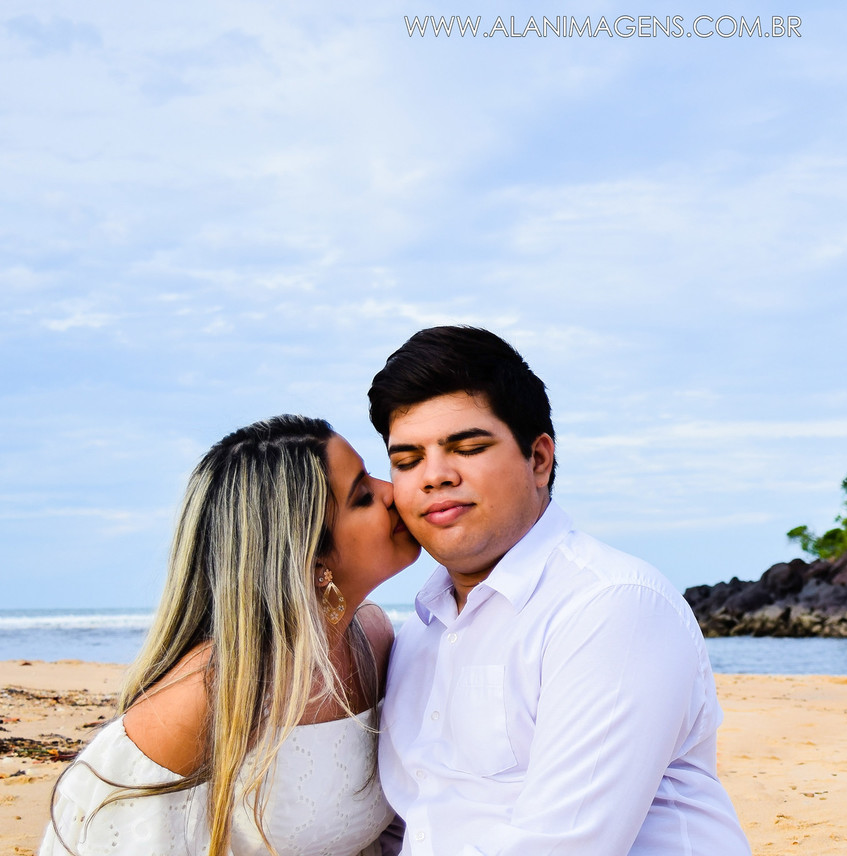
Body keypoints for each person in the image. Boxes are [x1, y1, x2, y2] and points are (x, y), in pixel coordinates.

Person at [368, 326, 751, 856]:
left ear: (539, 459)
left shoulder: (612, 604)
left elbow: (562, 844)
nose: (433, 477)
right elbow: (414, 824)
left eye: (469, 447)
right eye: (406, 461)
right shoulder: (420, 632)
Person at [40, 415, 420, 856]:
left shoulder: (373, 640)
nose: (392, 491)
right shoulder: (203, 697)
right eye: (362, 496)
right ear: (310, 560)